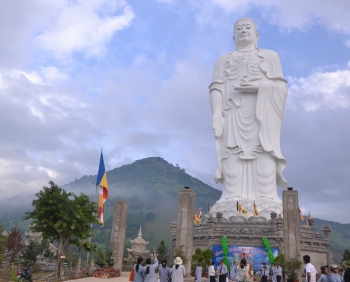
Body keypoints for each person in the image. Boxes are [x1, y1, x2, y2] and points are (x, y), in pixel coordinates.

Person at [209, 18, 288, 205]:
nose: (243, 30)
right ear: (233, 36)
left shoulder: (270, 56)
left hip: (262, 117)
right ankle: (231, 199)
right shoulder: (223, 60)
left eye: (247, 27)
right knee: (231, 153)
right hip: (233, 114)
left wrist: (259, 86)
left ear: (257, 35)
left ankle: (267, 199)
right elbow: (216, 88)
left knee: (264, 152)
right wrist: (216, 114)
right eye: (239, 28)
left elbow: (281, 87)